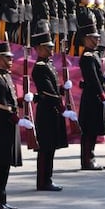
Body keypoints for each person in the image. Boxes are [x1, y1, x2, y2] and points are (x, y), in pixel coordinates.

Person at [0, 41, 33, 209]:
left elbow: (10, 101)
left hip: (7, 126)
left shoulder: (6, 76)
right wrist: (17, 120)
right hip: (0, 127)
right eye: (7, 57)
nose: (11, 60)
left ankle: (1, 200)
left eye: (11, 57)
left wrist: (23, 100)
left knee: (5, 166)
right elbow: (2, 105)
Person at [31, 31, 75, 191]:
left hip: (52, 110)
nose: (51, 50)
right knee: (45, 148)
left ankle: (47, 178)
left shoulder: (48, 64)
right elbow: (49, 92)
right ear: (39, 48)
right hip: (47, 111)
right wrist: (62, 108)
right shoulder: (40, 67)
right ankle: (43, 181)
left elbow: (54, 89)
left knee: (51, 148)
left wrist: (62, 89)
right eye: (47, 47)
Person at [77, 23, 105, 170]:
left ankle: (90, 157)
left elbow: (99, 76)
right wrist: (102, 95)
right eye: (93, 38)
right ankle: (87, 160)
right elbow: (93, 78)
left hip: (96, 96)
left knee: (92, 131)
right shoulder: (87, 56)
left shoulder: (94, 54)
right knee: (89, 130)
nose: (97, 40)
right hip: (92, 96)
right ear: (86, 39)